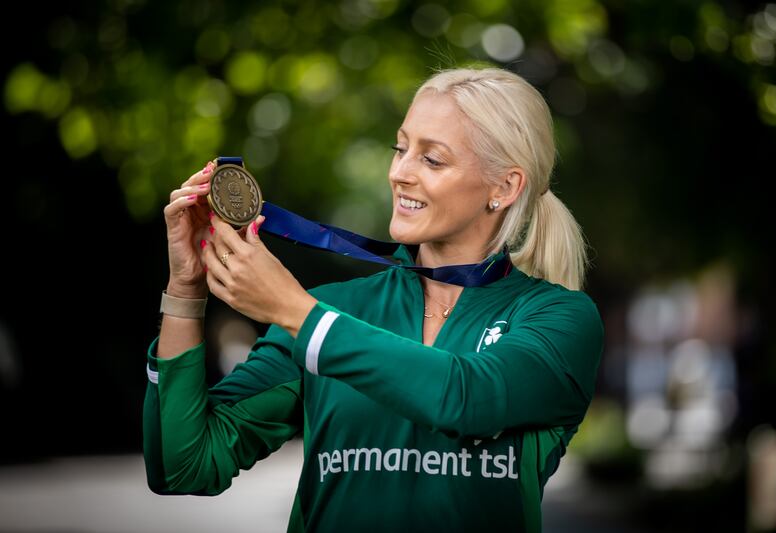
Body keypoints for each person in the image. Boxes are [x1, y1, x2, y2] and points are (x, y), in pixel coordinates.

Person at [144, 67, 604, 533]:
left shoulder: (559, 319)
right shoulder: (331, 309)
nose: (399, 173)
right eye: (400, 149)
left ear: (504, 188)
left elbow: (465, 398)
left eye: (433, 160)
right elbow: (184, 465)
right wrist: (185, 288)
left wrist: (294, 310)